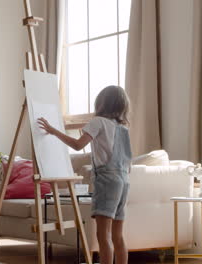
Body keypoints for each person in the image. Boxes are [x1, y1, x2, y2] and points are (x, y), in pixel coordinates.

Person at [38, 85, 132, 264]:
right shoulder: (122, 128)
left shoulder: (98, 122)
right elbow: (128, 161)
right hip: (124, 181)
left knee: (102, 234)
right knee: (118, 236)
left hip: (108, 180)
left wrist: (53, 130)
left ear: (102, 102)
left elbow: (77, 145)